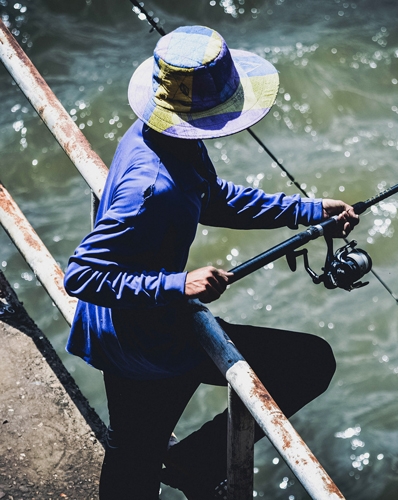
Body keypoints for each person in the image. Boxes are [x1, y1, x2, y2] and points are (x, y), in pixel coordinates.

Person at [64, 25, 358, 499]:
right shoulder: (150, 189)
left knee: (133, 452)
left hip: (126, 322)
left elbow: (211, 197)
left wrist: (306, 211)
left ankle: (190, 463)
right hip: (145, 339)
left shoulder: (159, 136)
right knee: (308, 362)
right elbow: (82, 274)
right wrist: (178, 285)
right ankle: (193, 464)